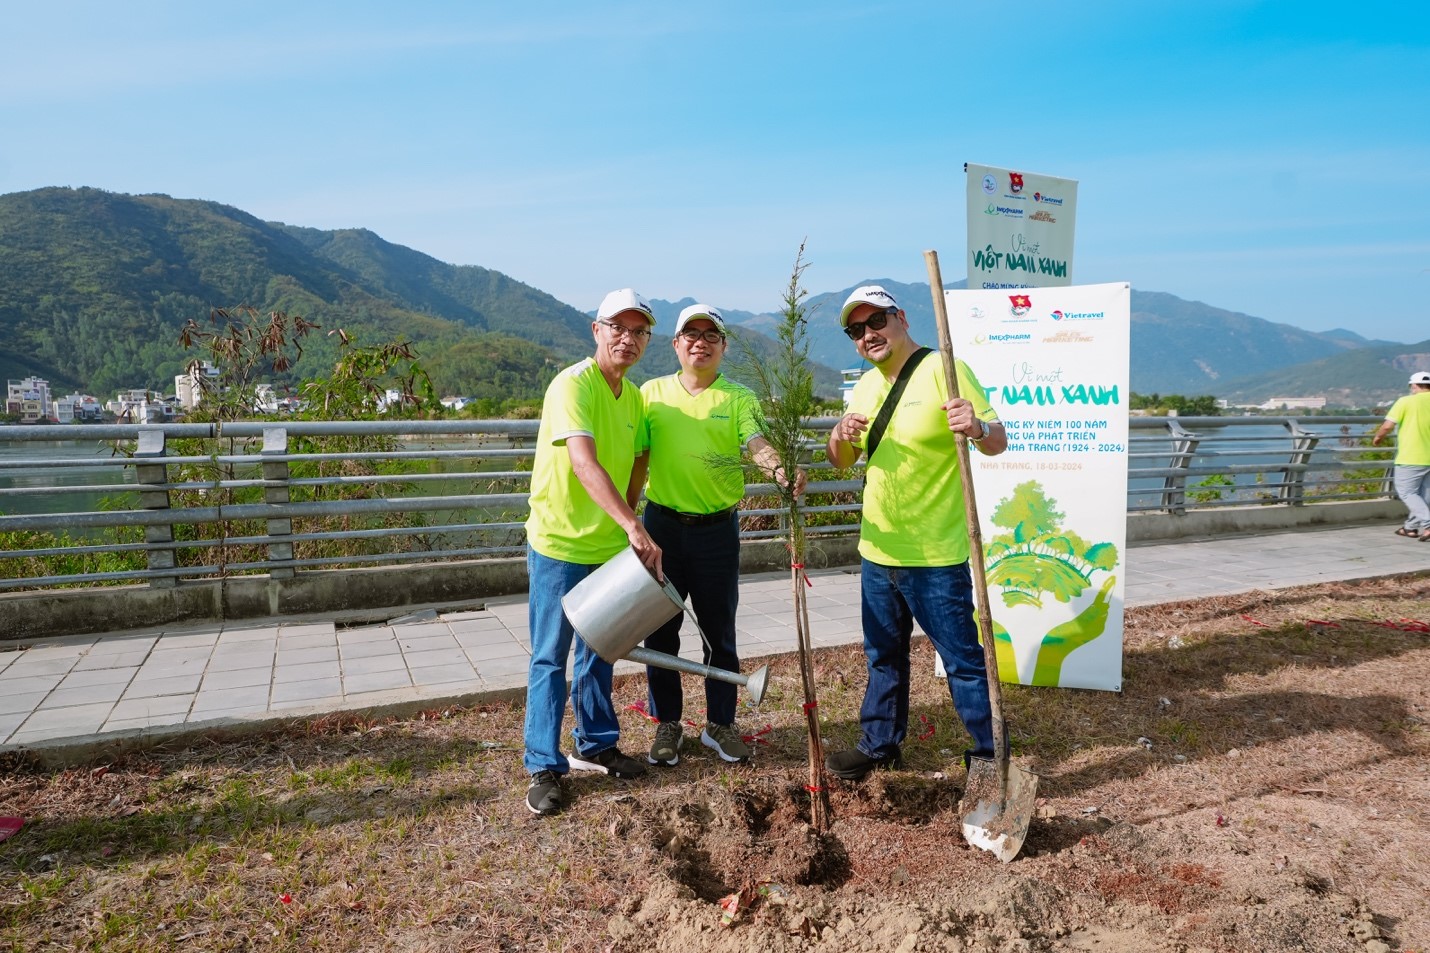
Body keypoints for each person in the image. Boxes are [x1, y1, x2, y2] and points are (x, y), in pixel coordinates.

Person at [822, 284, 1008, 780]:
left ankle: (990, 756)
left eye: (877, 321)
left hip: (936, 554)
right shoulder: (863, 387)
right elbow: (841, 461)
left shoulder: (944, 369)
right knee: (883, 655)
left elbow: (998, 440)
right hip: (877, 551)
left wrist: (976, 426)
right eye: (856, 330)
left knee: (964, 661)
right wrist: (837, 437)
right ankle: (879, 744)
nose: (868, 335)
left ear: (900, 317)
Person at [638, 304, 806, 767]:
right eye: (690, 334)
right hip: (662, 529)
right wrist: (626, 525)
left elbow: (757, 445)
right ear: (675, 345)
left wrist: (780, 471)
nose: (700, 342)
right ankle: (667, 724)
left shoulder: (739, 397)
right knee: (660, 633)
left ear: (723, 346)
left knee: (719, 632)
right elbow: (634, 458)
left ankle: (720, 724)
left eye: (711, 336)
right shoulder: (650, 394)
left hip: (717, 532)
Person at [522, 288, 664, 816]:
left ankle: (597, 743)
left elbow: (637, 465)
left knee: (601, 647)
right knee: (550, 655)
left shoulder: (634, 397)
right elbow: (584, 464)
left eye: (639, 331)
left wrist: (627, 523)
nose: (628, 338)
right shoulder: (572, 384)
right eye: (617, 327)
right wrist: (634, 524)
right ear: (596, 330)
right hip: (559, 543)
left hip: (607, 543)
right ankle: (542, 763)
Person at [1372, 370, 1430, 541]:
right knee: (1424, 495)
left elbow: (1388, 426)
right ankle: (1410, 528)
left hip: (1411, 456)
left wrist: (1377, 438)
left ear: (1413, 385)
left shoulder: (1405, 402)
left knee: (1407, 493)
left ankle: (1428, 524)